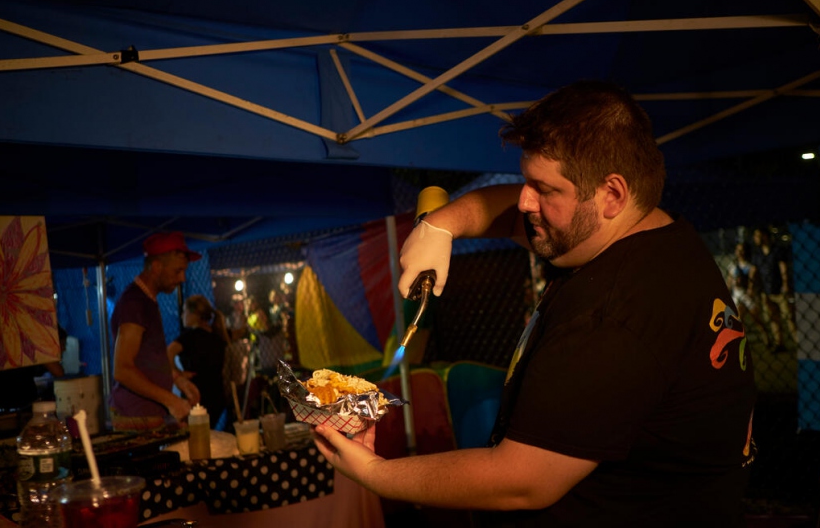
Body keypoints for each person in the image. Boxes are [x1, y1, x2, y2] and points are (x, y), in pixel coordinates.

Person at [313, 80, 757, 527]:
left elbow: (522, 480)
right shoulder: (651, 236)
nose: (526, 200)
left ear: (612, 195)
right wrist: (443, 225)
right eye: (527, 181)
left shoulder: (614, 316)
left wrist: (376, 473)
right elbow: (510, 212)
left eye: (544, 189)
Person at [109, 231, 202, 432]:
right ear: (157, 267)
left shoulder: (147, 300)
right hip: (135, 417)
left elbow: (148, 359)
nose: (183, 278)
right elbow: (122, 369)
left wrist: (177, 378)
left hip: (147, 414)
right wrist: (172, 401)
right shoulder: (134, 302)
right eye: (178, 271)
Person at [167, 295, 229, 431]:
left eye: (184, 311)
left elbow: (167, 354)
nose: (182, 315)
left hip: (196, 395)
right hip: (217, 395)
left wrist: (178, 374)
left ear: (194, 314)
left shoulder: (190, 337)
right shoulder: (217, 336)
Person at [750, 227, 797, 352]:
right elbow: (753, 271)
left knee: (789, 317)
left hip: (780, 290)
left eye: (758, 236)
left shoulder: (777, 250)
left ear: (765, 236)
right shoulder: (757, 254)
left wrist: (785, 284)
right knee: (773, 318)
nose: (755, 239)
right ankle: (779, 343)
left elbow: (783, 268)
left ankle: (798, 341)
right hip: (766, 291)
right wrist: (751, 287)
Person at [727, 242, 771, 348]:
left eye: (742, 250)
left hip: (748, 295)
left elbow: (753, 281)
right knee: (738, 320)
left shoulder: (750, 266)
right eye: (738, 250)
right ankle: (738, 343)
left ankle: (766, 338)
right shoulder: (733, 266)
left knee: (756, 318)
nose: (740, 253)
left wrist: (750, 288)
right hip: (737, 295)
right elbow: (729, 282)